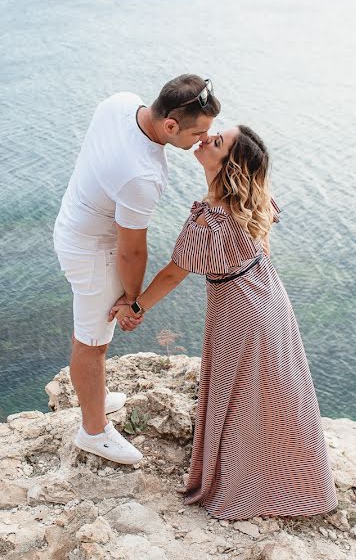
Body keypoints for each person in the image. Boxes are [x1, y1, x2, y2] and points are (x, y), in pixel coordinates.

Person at [113, 125, 339, 519]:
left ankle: (249, 484)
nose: (205, 139)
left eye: (216, 142)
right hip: (268, 294)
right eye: (213, 134)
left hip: (240, 311)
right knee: (275, 393)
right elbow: (263, 243)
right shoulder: (251, 200)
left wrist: (136, 308)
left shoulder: (211, 220)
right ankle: (298, 477)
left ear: (228, 164)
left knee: (238, 398)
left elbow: (173, 273)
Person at [53, 75, 221, 464]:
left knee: (96, 336)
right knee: (90, 344)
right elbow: (132, 251)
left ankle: (94, 396)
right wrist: (132, 300)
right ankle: (93, 431)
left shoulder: (120, 103)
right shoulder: (143, 175)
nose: (201, 139)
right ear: (170, 126)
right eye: (198, 132)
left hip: (72, 223)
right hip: (95, 250)